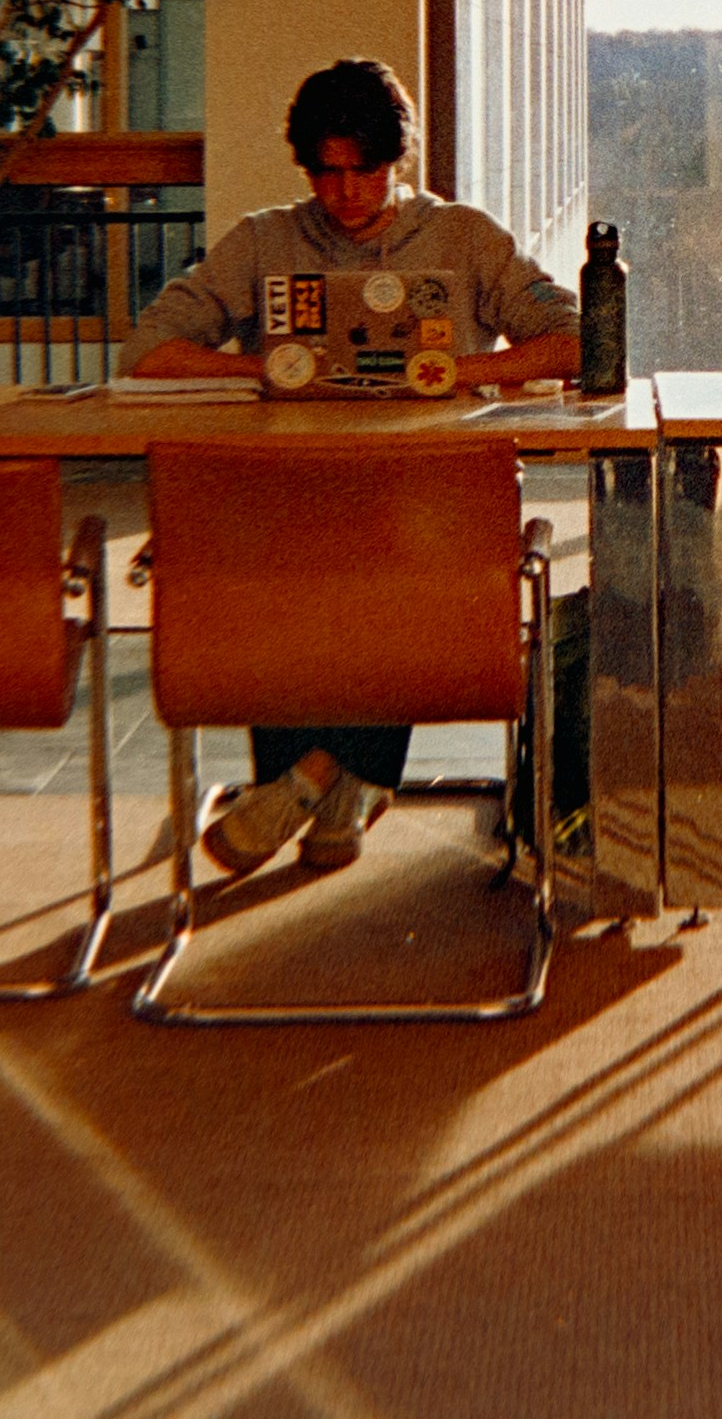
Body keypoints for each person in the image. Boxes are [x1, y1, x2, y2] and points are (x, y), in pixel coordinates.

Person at [121, 57, 580, 877]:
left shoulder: (463, 236)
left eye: (364, 170)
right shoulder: (265, 238)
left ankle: (315, 775)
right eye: (325, 173)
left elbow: (573, 340)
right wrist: (258, 368)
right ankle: (341, 786)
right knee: (303, 556)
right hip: (296, 493)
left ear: (395, 161)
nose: (346, 193)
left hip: (424, 497)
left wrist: (449, 375)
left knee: (392, 557)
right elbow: (148, 351)